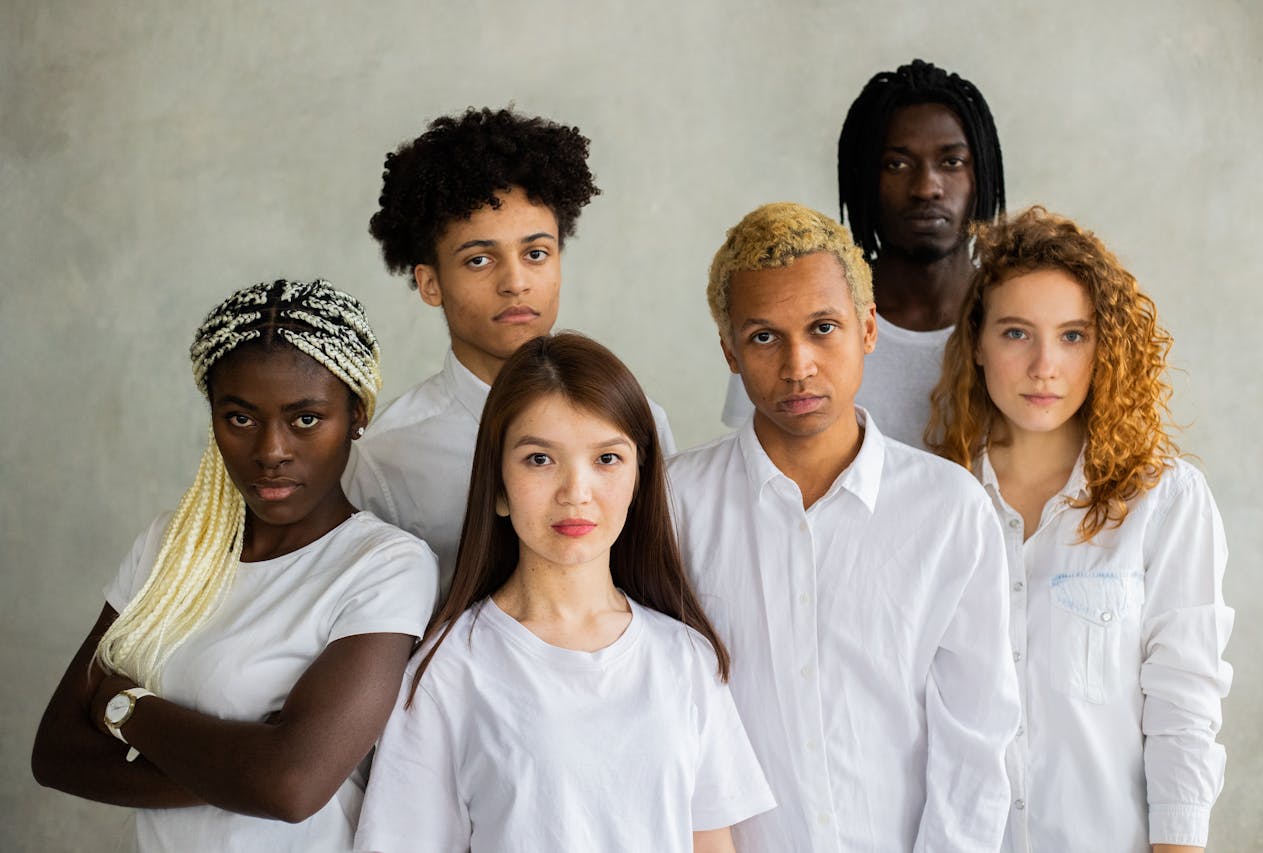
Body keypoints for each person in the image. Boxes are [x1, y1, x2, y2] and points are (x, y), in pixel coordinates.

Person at [32, 279, 438, 852]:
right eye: (241, 418)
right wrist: (245, 766)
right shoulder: (170, 546)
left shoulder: (384, 566)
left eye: (305, 419)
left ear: (357, 415)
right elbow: (56, 754)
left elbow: (291, 788)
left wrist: (123, 708)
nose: (271, 450)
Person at [668, 202, 1020, 852]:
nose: (798, 364)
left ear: (868, 329)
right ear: (729, 351)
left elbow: (976, 739)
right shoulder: (675, 505)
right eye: (764, 336)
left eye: (823, 327)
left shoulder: (950, 511)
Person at [354, 333, 774, 853]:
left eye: (607, 459)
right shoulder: (446, 671)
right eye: (539, 459)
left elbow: (711, 842)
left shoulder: (686, 658)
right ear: (499, 487)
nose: (576, 491)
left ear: (641, 482)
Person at [926, 207, 1233, 853]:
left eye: (1072, 335)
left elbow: (1185, 704)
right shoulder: (927, 501)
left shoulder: (1164, 500)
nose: (1045, 365)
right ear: (977, 342)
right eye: (1016, 333)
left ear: (1105, 347)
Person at [344, 107, 675, 592]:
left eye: (536, 253)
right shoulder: (385, 456)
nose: (515, 282)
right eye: (479, 259)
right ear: (430, 282)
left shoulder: (635, 422)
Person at [721, 59, 1004, 448]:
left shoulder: (1020, 320)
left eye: (951, 162)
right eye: (897, 164)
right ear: (863, 178)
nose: (926, 187)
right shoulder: (801, 313)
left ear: (982, 174)